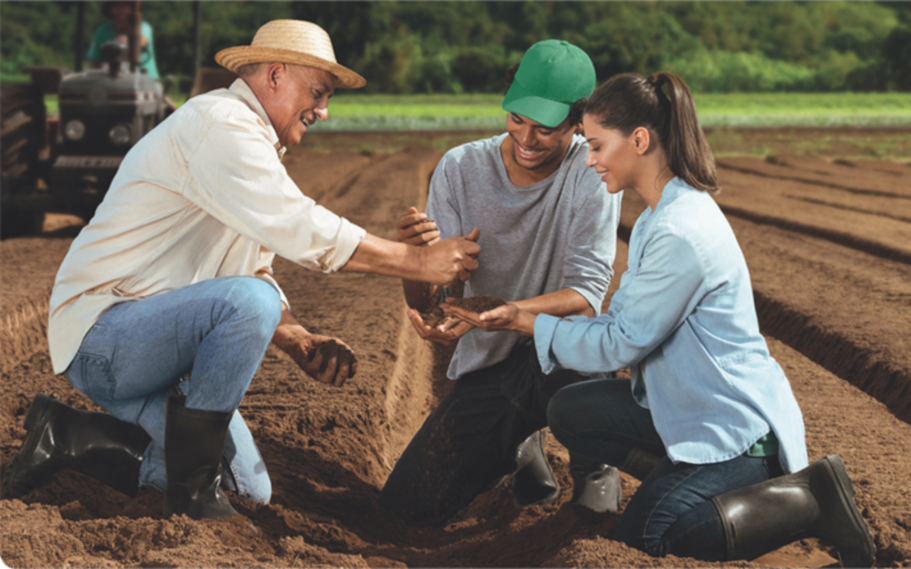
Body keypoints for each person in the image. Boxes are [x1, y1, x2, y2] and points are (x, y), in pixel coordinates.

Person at [1, 20, 481, 522]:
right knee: (250, 305)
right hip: (106, 338)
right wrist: (417, 261)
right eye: (318, 93)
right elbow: (299, 227)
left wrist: (298, 339)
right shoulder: (219, 125)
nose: (323, 111)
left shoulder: (251, 146)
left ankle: (66, 438)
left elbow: (255, 269)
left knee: (249, 489)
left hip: (152, 346)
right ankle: (191, 497)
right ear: (275, 75)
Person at [442, 72, 876, 567]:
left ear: (640, 140)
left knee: (647, 542)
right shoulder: (656, 217)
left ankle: (809, 501)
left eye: (598, 145)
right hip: (690, 410)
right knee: (571, 411)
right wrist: (519, 313)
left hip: (735, 431)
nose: (589, 159)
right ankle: (686, 479)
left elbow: (621, 344)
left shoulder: (680, 232)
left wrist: (521, 322)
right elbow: (619, 321)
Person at [378, 40, 623, 525]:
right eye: (517, 119)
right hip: (492, 367)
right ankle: (516, 447)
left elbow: (587, 298)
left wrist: (511, 315)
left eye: (545, 128)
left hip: (561, 352)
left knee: (583, 350)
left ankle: (597, 465)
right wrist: (415, 262)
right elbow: (435, 298)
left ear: (579, 124)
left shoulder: (589, 171)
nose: (526, 139)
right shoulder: (460, 168)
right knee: (405, 509)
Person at [86, 1, 176, 112]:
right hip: (111, 80)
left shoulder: (143, 28)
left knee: (158, 99)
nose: (120, 10)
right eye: (116, 5)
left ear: (133, 9)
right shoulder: (102, 31)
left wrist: (123, 43)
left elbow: (141, 41)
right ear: (110, 9)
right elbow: (94, 61)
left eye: (125, 6)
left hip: (147, 80)